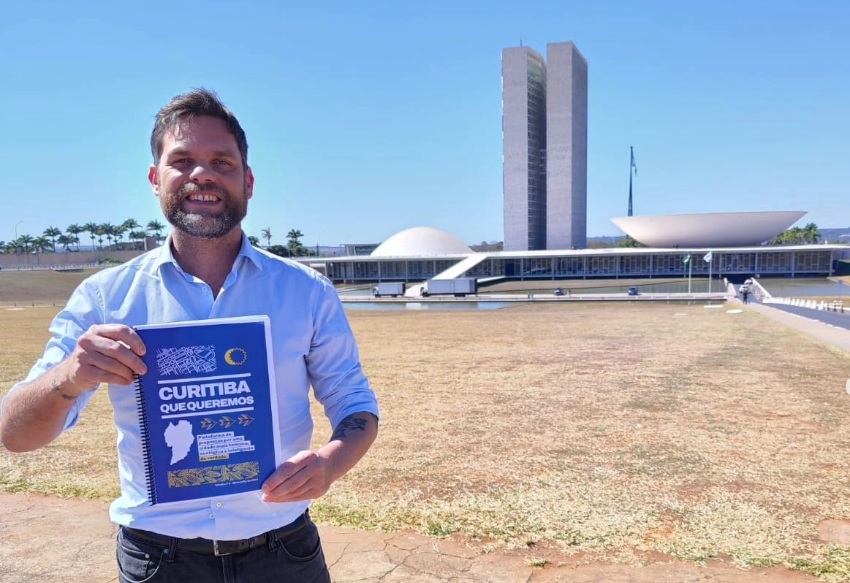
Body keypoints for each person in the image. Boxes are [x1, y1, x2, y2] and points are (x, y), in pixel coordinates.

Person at [0, 88, 379, 582]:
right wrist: (72, 375)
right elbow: (14, 434)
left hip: (283, 553)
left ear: (248, 180)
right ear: (156, 179)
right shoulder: (104, 297)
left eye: (222, 161)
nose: (202, 174)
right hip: (159, 561)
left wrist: (330, 462)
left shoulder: (306, 291)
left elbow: (355, 405)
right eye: (182, 161)